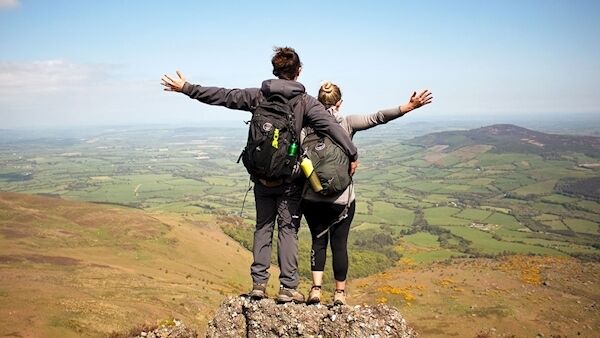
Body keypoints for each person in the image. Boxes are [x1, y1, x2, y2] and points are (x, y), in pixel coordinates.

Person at [160, 47, 358, 303]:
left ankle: (259, 285)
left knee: (263, 226)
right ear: (299, 72)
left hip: (262, 176)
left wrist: (187, 87)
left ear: (275, 71)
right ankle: (288, 287)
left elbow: (223, 96)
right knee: (287, 229)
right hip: (289, 180)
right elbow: (332, 127)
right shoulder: (305, 102)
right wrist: (352, 153)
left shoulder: (258, 96)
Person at [302, 81, 432, 305]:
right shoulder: (347, 122)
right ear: (339, 103)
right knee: (339, 244)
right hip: (341, 199)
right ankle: (340, 294)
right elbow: (378, 117)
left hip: (312, 197)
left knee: (318, 242)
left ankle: (315, 290)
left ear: (317, 101)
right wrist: (409, 107)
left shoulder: (306, 125)